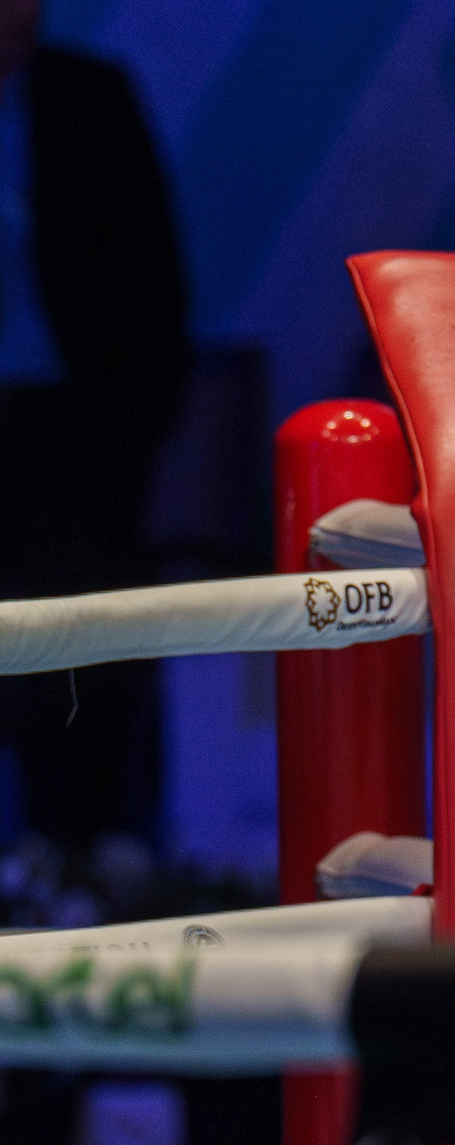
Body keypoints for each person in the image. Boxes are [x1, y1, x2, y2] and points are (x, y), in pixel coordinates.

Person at [0, 0, 187, 856]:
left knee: (77, 631)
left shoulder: (92, 96)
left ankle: (73, 846)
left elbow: (156, 271)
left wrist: (135, 424)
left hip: (73, 417)